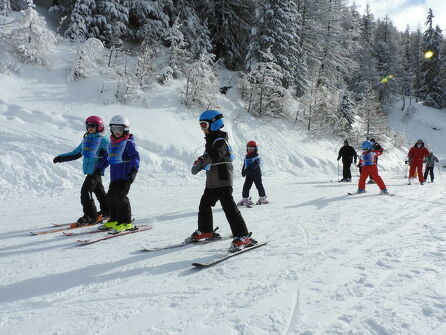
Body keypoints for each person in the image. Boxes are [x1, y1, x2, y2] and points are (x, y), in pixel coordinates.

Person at [189, 110, 256, 252]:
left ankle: (243, 236)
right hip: (213, 181)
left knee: (229, 208)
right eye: (201, 126)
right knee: (204, 204)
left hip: (223, 179)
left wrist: (203, 160)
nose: (203, 129)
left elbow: (217, 154)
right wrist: (200, 161)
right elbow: (209, 155)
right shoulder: (211, 140)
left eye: (204, 125)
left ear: (214, 124)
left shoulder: (220, 140)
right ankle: (206, 230)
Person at [53, 116, 110, 226]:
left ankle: (91, 215)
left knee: (85, 191)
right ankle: (108, 211)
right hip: (90, 170)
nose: (90, 128)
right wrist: (61, 158)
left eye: (92, 125)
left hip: (96, 170)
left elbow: (111, 154)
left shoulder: (103, 140)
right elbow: (77, 153)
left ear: (99, 127)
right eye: (88, 125)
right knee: (99, 191)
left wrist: (103, 164)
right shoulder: (87, 138)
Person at [96, 115, 140, 233]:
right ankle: (115, 219)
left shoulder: (128, 143)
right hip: (115, 177)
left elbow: (135, 157)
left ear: (125, 129)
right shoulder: (111, 144)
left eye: (119, 129)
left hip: (126, 176)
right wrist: (99, 168)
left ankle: (126, 222)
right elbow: (106, 158)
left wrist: (134, 170)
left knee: (120, 198)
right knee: (110, 198)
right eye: (114, 128)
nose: (117, 132)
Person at [237, 140, 268, 206]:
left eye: (251, 149)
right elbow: (245, 164)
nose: (250, 150)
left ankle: (262, 197)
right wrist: (243, 170)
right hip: (249, 175)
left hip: (256, 174)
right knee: (246, 186)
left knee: (259, 185)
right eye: (248, 149)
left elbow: (256, 164)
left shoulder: (257, 156)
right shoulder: (247, 156)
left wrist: (249, 169)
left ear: (255, 149)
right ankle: (245, 198)